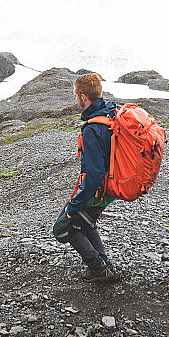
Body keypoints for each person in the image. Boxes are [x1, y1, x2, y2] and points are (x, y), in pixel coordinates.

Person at [52, 73, 121, 283]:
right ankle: (104, 264)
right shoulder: (110, 113)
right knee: (86, 223)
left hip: (98, 191)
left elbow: (94, 173)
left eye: (75, 95)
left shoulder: (93, 129)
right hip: (110, 188)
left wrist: (75, 205)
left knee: (63, 227)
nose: (75, 99)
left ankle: (99, 269)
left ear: (83, 97)